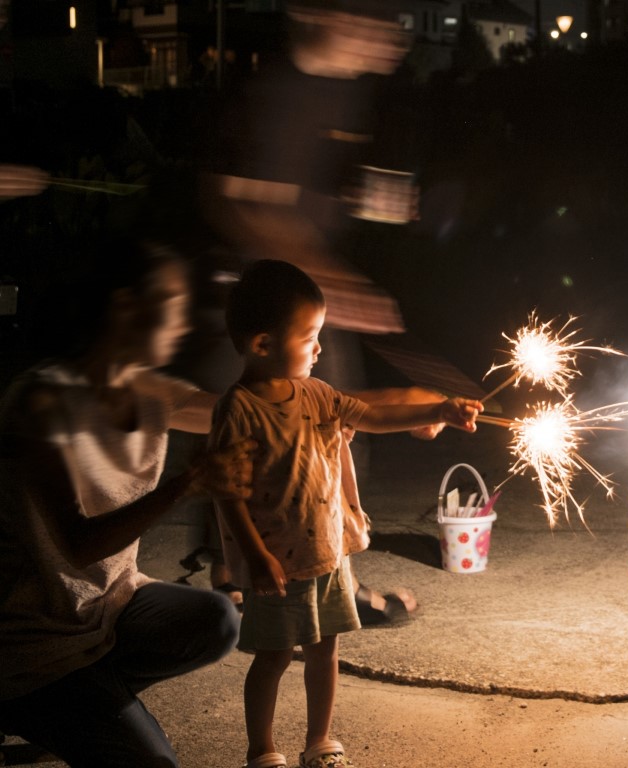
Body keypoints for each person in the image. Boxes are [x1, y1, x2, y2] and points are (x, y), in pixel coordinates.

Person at [194, 0, 424, 622]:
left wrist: (370, 202)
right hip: (261, 304)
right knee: (288, 439)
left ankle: (264, 580)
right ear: (324, 16)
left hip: (307, 297)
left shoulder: (342, 94)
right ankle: (258, 582)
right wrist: (337, 282)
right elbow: (236, 202)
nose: (392, 37)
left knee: (322, 435)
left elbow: (314, 187)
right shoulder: (270, 94)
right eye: (375, 22)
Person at [208, 259, 480, 768]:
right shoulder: (239, 410)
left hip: (328, 554)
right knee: (273, 657)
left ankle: (320, 742)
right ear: (263, 344)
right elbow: (228, 494)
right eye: (310, 337)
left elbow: (372, 416)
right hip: (277, 565)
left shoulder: (317, 394)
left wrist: (438, 410)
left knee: (325, 650)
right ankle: (261, 749)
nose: (319, 349)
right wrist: (254, 555)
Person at [0, 238, 255, 766]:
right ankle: (46, 708)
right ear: (125, 307)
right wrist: (185, 484)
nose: (183, 323)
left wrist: (388, 410)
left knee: (216, 619)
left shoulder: (149, 390)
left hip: (107, 609)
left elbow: (249, 412)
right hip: (31, 639)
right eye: (173, 306)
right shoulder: (42, 401)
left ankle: (81, 711)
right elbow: (79, 546)